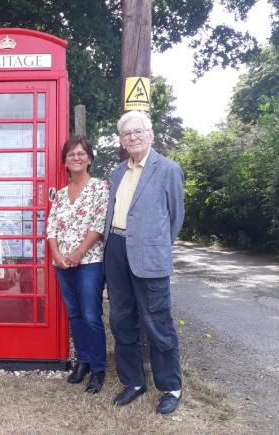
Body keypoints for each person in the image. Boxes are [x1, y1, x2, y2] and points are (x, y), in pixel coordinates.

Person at [103, 110, 185, 414]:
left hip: (149, 254)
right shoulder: (118, 172)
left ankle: (170, 387)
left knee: (157, 322)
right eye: (127, 134)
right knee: (121, 319)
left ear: (150, 134)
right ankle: (134, 382)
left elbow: (175, 218)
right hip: (116, 249)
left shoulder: (167, 169)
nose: (133, 137)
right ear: (122, 141)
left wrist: (155, 245)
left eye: (139, 131)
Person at [46, 136, 109, 394]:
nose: (76, 158)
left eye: (81, 153)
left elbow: (99, 224)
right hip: (62, 262)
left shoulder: (100, 188)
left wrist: (77, 254)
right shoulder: (60, 194)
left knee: (91, 314)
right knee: (74, 314)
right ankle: (82, 361)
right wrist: (57, 254)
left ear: (89, 159)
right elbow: (51, 227)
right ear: (65, 162)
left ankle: (98, 367)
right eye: (71, 155)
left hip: (90, 261)